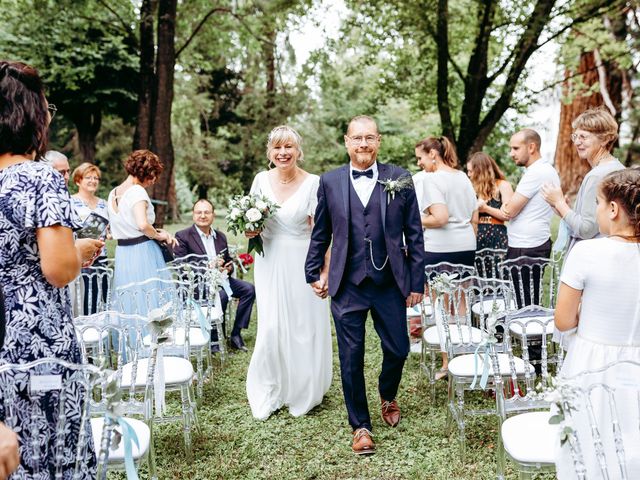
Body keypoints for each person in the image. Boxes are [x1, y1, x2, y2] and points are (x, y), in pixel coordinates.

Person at [0, 60, 103, 478]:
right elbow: (58, 269)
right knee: (53, 451)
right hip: (37, 342)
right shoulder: (38, 177)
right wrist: (78, 249)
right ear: (31, 115)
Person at [305, 116, 424, 455]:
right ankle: (360, 426)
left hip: (388, 282)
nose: (363, 144)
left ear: (379, 141)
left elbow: (414, 232)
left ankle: (388, 394)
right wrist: (314, 271)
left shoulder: (399, 177)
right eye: (357, 138)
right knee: (351, 356)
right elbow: (322, 231)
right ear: (346, 142)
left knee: (399, 349)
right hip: (347, 283)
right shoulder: (329, 182)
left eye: (369, 137)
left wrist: (417, 279)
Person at [553, 168, 640, 478]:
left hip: (592, 365)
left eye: (598, 203)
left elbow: (563, 321)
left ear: (614, 209)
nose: (597, 211)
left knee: (588, 447)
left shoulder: (587, 253)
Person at [245, 125, 332, 421]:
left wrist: (325, 272)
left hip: (302, 259)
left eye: (289, 147)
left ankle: (303, 390)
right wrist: (250, 228)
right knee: (271, 325)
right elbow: (249, 227)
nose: (283, 153)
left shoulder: (313, 183)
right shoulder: (260, 180)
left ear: (298, 151)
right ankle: (272, 387)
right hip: (268, 261)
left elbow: (321, 232)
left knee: (302, 325)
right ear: (270, 153)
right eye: (277, 148)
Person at [414, 136, 478, 380]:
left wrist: (413, 219)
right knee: (461, 302)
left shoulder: (432, 179)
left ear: (433, 153)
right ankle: (462, 355)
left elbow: (439, 218)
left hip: (441, 248)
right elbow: (474, 215)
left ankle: (447, 362)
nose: (420, 163)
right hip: (465, 246)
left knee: (441, 305)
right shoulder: (462, 177)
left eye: (420, 157)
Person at [174, 199, 256, 352]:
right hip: (198, 285)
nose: (203, 216)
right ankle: (215, 339)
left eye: (207, 212)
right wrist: (207, 267)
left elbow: (228, 261)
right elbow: (181, 267)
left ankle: (236, 334)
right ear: (193, 215)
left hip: (222, 280)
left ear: (213, 215)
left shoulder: (220, 236)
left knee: (249, 289)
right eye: (199, 212)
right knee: (222, 296)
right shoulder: (183, 236)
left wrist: (228, 267)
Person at [541, 107, 625, 255]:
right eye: (575, 137)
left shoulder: (597, 175)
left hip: (591, 256)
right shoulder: (618, 168)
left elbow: (586, 230)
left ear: (604, 139)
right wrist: (561, 208)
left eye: (583, 137)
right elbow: (597, 222)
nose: (577, 142)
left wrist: (559, 203)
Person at [107, 150, 177, 313]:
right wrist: (160, 235)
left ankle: (133, 337)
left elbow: (127, 225)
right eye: (154, 175)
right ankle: (151, 337)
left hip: (123, 253)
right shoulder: (137, 191)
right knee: (149, 299)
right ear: (148, 172)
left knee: (132, 300)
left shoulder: (113, 193)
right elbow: (142, 225)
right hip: (142, 253)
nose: (154, 180)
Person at [501, 128, 560, 306]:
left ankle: (530, 332)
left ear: (532, 147)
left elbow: (510, 211)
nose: (511, 153)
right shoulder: (545, 170)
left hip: (526, 246)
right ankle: (528, 331)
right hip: (531, 243)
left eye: (516, 148)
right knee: (526, 298)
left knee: (525, 302)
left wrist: (506, 206)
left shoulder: (536, 172)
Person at [71, 163, 110, 314]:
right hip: (81, 257)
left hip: (102, 256)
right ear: (78, 181)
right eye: (88, 177)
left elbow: (110, 230)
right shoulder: (70, 202)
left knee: (102, 297)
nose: (93, 181)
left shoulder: (103, 204)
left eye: (96, 178)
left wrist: (108, 233)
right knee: (83, 299)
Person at [467, 151, 513, 250]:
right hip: (473, 237)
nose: (468, 174)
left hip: (497, 238)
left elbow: (508, 215)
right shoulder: (470, 188)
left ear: (480, 171)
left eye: (471, 171)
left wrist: (486, 209)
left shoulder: (503, 185)